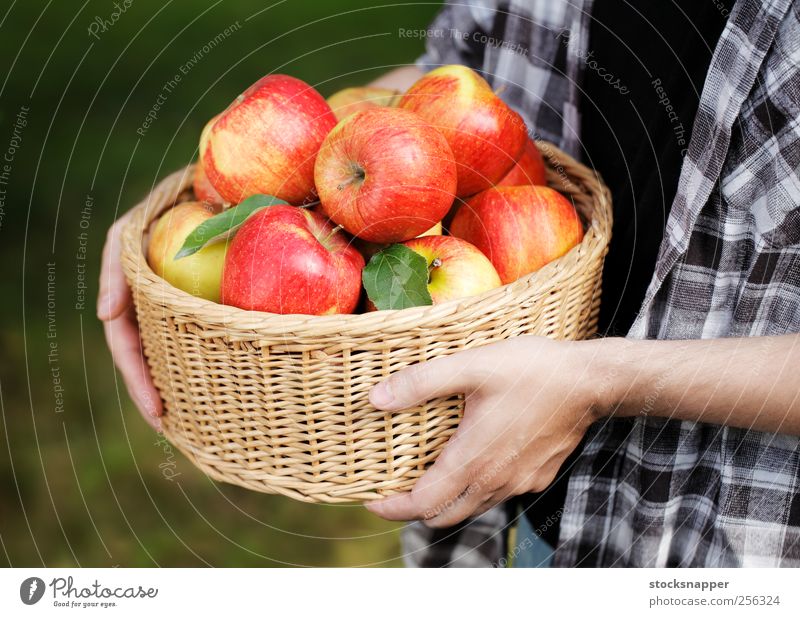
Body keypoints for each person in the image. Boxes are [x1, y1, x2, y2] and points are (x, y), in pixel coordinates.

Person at [100, 0, 800, 567]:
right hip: (516, 512)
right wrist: (203, 204)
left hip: (715, 540)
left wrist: (600, 379)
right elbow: (432, 86)